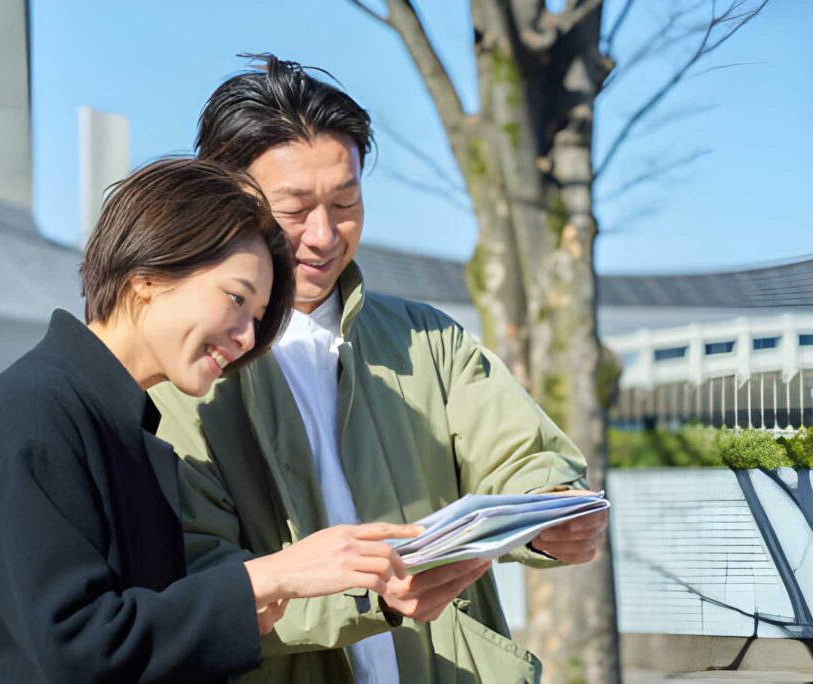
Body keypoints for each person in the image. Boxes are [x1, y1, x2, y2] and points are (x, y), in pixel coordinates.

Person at [149, 56, 609, 683]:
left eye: (345, 201)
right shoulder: (185, 373)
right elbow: (199, 582)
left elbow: (525, 459)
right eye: (294, 208)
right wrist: (373, 596)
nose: (323, 234)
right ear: (225, 201)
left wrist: (553, 516)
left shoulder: (426, 339)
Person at [0, 158, 421, 683]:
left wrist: (256, 601)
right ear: (148, 274)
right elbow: (81, 645)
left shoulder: (119, 427)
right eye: (236, 299)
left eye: (258, 318)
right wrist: (269, 576)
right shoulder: (33, 412)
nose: (245, 336)